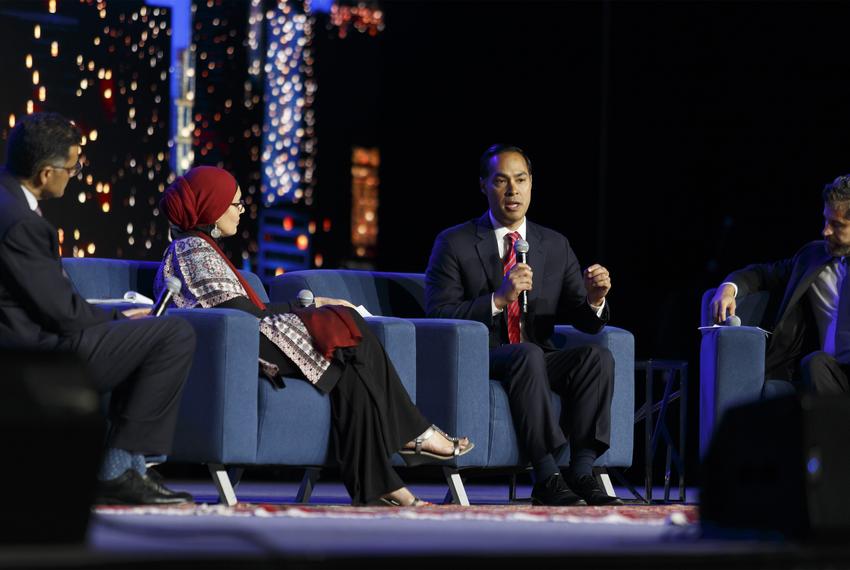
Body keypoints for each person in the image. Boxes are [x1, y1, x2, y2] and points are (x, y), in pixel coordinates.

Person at [154, 165, 473, 507]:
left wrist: (310, 306)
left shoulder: (201, 248)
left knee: (350, 361)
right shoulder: (191, 251)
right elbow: (238, 315)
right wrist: (307, 306)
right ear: (211, 209)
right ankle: (413, 433)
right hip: (234, 347)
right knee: (345, 323)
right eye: (235, 204)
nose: (241, 211)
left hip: (247, 336)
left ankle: (379, 485)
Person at [0, 112, 195, 505]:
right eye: (71, 169)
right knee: (173, 334)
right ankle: (119, 469)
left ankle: (130, 466)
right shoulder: (20, 222)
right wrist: (116, 316)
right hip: (32, 356)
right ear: (44, 174)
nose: (73, 176)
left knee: (141, 337)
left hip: (25, 341)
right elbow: (63, 316)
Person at [425, 144, 621, 506]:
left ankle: (581, 471)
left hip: (537, 356)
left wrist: (595, 299)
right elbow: (438, 316)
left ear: (531, 184)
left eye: (520, 180)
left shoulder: (555, 244)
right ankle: (546, 475)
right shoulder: (455, 242)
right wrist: (498, 299)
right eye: (501, 181)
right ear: (483, 185)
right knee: (527, 354)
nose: (512, 191)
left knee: (597, 359)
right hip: (483, 357)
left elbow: (584, 320)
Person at [710, 174, 850, 395]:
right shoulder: (812, 258)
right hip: (829, 376)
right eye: (826, 220)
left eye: (837, 225)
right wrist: (728, 288)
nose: (826, 231)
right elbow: (762, 274)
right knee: (814, 362)